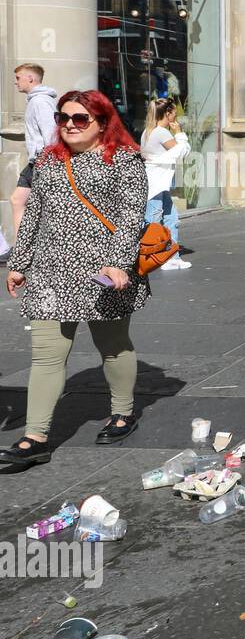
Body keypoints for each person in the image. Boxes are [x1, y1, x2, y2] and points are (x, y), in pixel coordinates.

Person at [1, 90, 151, 467]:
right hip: (52, 272)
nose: (69, 124)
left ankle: (123, 411)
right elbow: (33, 213)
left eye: (81, 118)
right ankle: (34, 437)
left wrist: (118, 263)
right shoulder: (48, 160)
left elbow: (133, 217)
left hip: (104, 272)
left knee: (113, 344)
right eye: (63, 117)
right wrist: (19, 263)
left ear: (102, 122)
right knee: (47, 355)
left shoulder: (125, 161)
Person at [3, 64, 59, 262]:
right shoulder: (36, 101)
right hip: (37, 161)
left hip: (43, 161)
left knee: (41, 206)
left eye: (18, 78)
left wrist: (49, 161)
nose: (15, 81)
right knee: (17, 200)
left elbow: (51, 133)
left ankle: (25, 251)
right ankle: (23, 250)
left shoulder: (40, 102)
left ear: (31, 79)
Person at [139, 97, 191, 271]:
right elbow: (181, 152)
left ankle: (171, 257)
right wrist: (180, 133)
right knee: (154, 221)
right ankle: (152, 257)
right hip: (155, 185)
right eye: (174, 112)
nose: (176, 116)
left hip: (156, 183)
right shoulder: (162, 132)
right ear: (168, 113)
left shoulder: (148, 131)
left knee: (170, 217)